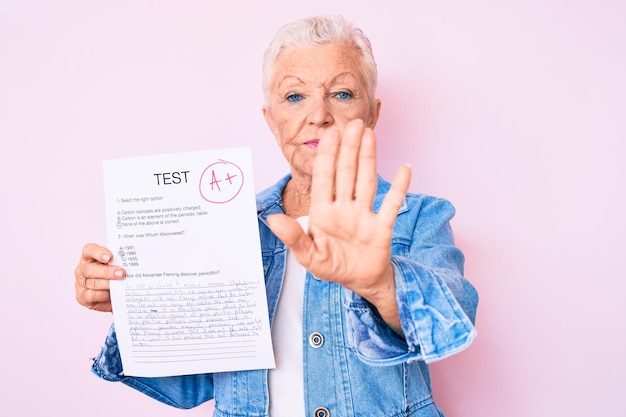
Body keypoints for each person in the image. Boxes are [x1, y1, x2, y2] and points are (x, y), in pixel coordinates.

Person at [75, 15, 478, 417]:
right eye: (294, 97)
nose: (318, 114)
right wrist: (136, 305)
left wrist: (380, 284)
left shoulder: (421, 216)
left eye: (340, 93)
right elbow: (190, 386)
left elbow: (451, 322)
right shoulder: (225, 227)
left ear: (371, 114)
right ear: (271, 120)